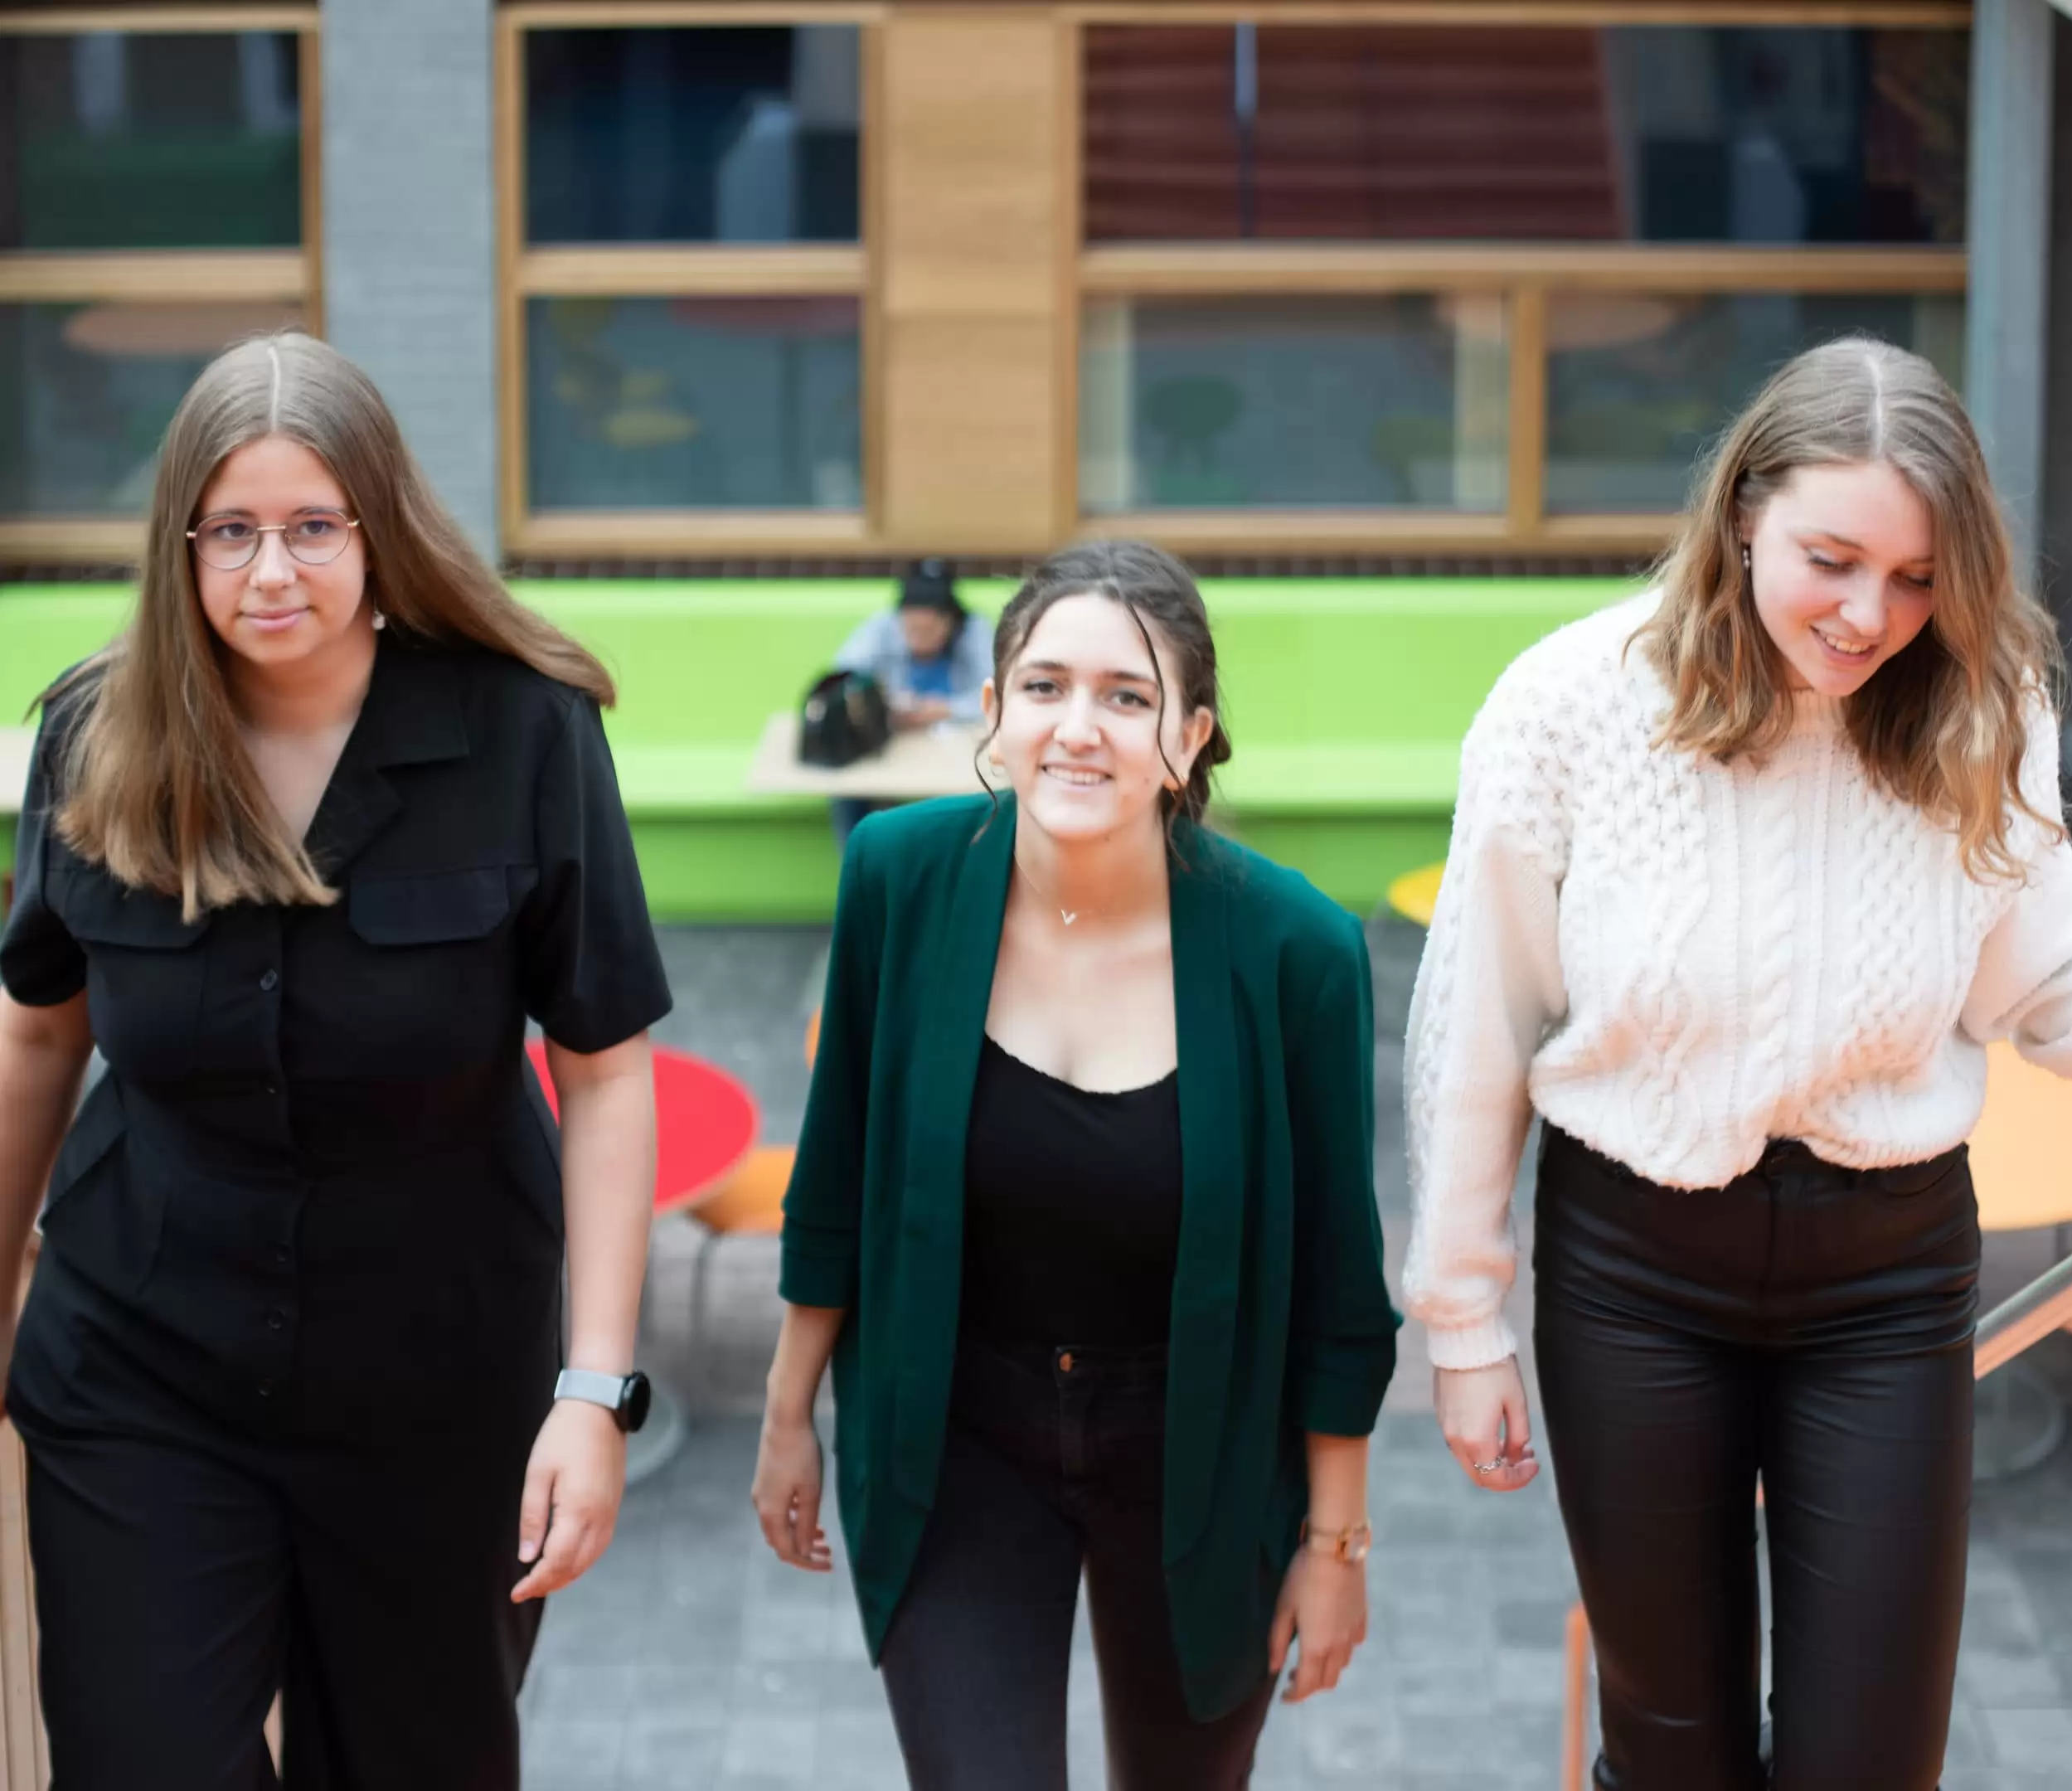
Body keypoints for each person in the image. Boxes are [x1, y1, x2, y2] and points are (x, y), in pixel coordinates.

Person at [1402, 336, 2072, 1790]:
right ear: (1742, 514)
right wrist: (1461, 1324)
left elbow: (2048, 960)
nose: (1870, 616)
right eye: (1833, 559)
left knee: (1872, 1760)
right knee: (1672, 1750)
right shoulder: (1568, 706)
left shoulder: (1985, 702)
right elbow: (1477, 1026)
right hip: (1633, 1276)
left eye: (1918, 579)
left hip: (1888, 1282)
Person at [0, 332, 672, 1789]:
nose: (270, 574)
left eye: (312, 529)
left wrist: (594, 1388)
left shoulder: (525, 732)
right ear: (179, 544)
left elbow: (608, 1071)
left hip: (439, 1392)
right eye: (230, 532)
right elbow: (40, 1030)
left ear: (379, 528)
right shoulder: (91, 736)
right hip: (141, 1370)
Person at [752, 539, 1399, 1789]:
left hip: (1197, 1448)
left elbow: (1337, 1285)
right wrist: (787, 1413)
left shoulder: (1296, 950)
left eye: (1129, 695)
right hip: (959, 1432)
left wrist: (1336, 1541)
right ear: (990, 712)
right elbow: (836, 1176)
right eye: (1044, 687)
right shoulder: (898, 878)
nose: (1079, 730)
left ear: (1193, 735)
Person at [827, 558, 996, 846]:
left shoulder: (975, 632)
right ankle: (860, 862)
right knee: (850, 790)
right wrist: (880, 707)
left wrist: (946, 709)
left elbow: (999, 693)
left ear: (950, 620)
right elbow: (843, 677)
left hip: (956, 750)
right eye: (911, 630)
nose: (918, 640)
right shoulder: (882, 628)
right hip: (895, 746)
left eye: (928, 631)